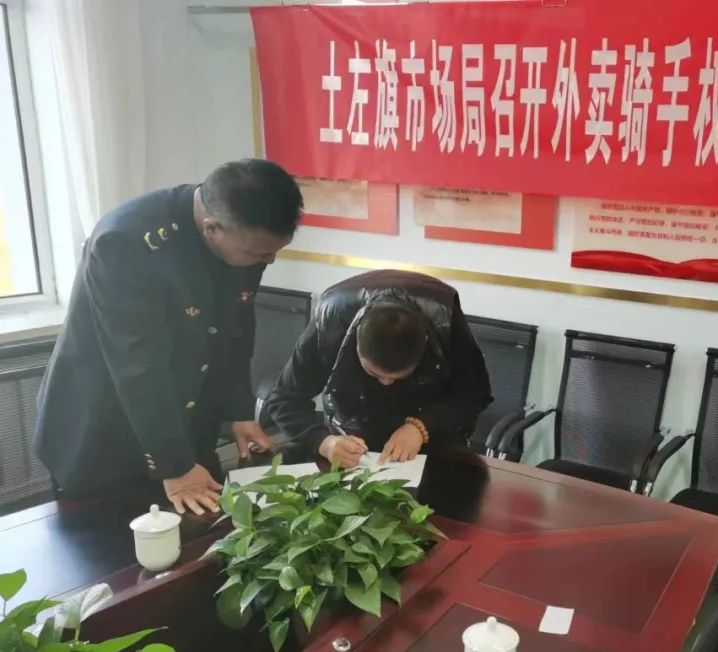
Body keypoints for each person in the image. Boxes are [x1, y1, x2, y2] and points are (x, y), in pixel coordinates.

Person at [35, 159, 304, 515]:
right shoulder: (125, 243)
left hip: (185, 426)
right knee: (112, 543)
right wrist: (174, 465)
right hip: (105, 430)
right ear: (212, 229)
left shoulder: (244, 237)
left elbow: (235, 327)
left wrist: (239, 410)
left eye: (274, 251)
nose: (268, 261)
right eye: (259, 254)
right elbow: (137, 365)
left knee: (204, 532)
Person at [264, 270, 492, 468]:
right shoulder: (332, 321)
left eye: (399, 377)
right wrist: (323, 442)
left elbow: (473, 394)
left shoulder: (445, 320)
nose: (386, 383)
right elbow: (284, 398)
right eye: (374, 374)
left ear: (424, 346)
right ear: (354, 343)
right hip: (351, 446)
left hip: (430, 448)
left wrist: (422, 426)